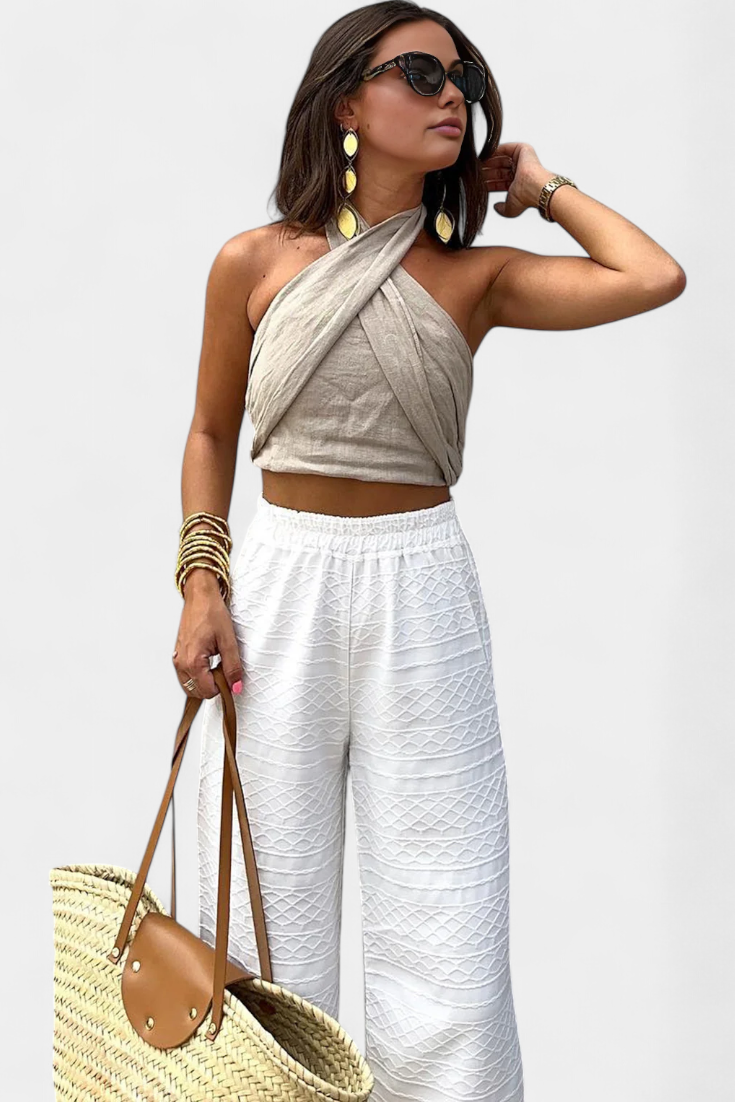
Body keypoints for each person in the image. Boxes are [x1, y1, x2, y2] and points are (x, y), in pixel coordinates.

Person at [171, 4, 686, 1099]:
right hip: (280, 583)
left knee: (444, 903)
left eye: (466, 81)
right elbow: (210, 432)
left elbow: (652, 276)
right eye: (420, 73)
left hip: (422, 584)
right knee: (258, 903)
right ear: (345, 103)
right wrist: (201, 582)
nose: (452, 95)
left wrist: (542, 186)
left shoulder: (474, 276)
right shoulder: (253, 263)